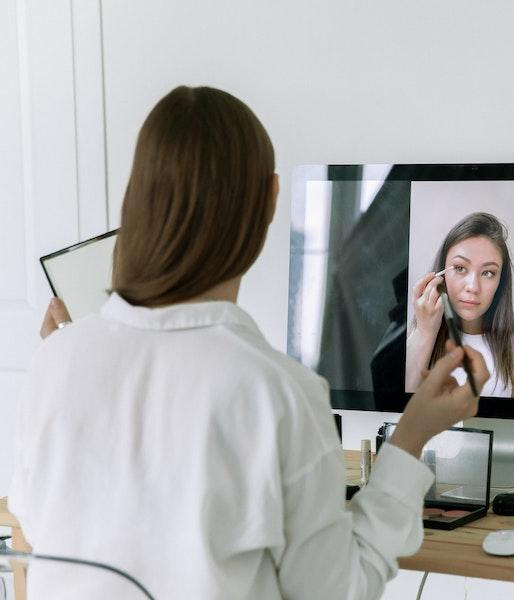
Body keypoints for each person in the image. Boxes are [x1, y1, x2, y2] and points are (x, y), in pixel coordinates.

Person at [10, 86, 489, 599]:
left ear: (140, 201)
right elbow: (337, 592)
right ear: (270, 199)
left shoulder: (53, 359)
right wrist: (411, 437)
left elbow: (46, 536)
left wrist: (69, 360)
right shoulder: (279, 393)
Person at [405, 212, 514, 399]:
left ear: (500, 282)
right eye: (460, 268)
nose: (473, 287)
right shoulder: (413, 340)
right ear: (440, 276)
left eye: (488, 273)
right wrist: (425, 332)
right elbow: (398, 412)